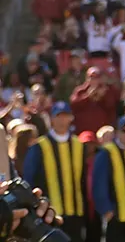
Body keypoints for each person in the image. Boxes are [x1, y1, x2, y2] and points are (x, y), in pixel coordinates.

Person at [22, 102, 86, 242]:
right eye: (58, 116)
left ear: (71, 118)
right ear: (52, 118)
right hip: (49, 214)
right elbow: (30, 179)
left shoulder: (78, 145)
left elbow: (84, 180)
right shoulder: (40, 146)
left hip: (76, 211)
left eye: (65, 116)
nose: (62, 121)